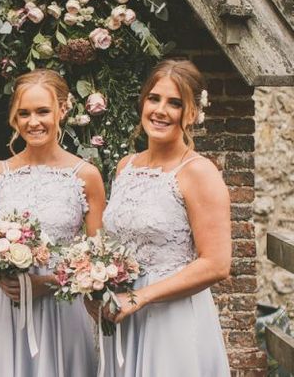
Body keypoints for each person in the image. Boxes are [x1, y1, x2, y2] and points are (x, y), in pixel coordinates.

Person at [96, 59, 231, 376]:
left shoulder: (198, 172)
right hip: (124, 313)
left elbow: (216, 263)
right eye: (154, 98)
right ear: (142, 102)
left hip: (172, 318)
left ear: (192, 113)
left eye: (174, 103)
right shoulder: (126, 166)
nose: (160, 110)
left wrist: (140, 297)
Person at [0, 69, 104, 376]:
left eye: (43, 111)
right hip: (4, 307)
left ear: (63, 110)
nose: (33, 122)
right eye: (24, 113)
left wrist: (48, 283)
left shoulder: (86, 176)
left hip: (61, 309)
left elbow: (97, 260)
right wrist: (0, 272)